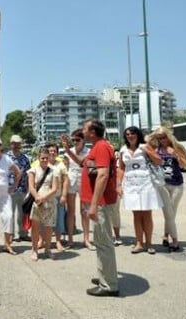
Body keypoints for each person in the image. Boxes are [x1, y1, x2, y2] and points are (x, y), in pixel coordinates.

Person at [67, 119, 119, 297]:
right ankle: (105, 275)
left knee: (104, 243)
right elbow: (83, 163)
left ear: (93, 132)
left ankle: (109, 285)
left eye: (85, 129)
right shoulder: (97, 147)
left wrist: (94, 205)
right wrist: (67, 150)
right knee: (100, 241)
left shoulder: (102, 147)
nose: (82, 131)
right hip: (98, 202)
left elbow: (103, 175)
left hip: (102, 203)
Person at [117, 126, 163, 255]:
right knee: (136, 215)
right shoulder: (123, 150)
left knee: (147, 214)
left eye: (133, 134)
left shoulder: (144, 147)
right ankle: (139, 243)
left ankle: (149, 243)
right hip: (131, 184)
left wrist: (148, 151)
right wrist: (118, 185)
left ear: (138, 135)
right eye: (127, 134)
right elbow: (121, 168)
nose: (130, 136)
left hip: (146, 184)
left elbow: (159, 161)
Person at [150, 127, 186, 252]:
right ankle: (174, 240)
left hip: (177, 184)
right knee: (168, 212)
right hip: (163, 184)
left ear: (169, 136)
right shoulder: (156, 150)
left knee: (172, 212)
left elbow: (184, 165)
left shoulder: (177, 148)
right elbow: (147, 140)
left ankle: (166, 235)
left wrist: (175, 154)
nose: (162, 140)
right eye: (159, 138)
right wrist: (154, 135)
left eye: (164, 137)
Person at [62, 130, 97, 249]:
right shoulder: (68, 152)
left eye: (78, 140)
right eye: (73, 140)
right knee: (71, 212)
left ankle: (86, 239)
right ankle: (70, 239)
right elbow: (65, 168)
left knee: (84, 211)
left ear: (83, 140)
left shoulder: (89, 151)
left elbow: (88, 166)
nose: (75, 142)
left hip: (84, 181)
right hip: (71, 181)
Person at [27, 148, 61, 261]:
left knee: (48, 228)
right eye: (42, 158)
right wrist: (37, 197)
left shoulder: (54, 171)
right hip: (36, 202)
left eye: (46, 158)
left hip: (49, 202)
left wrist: (43, 198)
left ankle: (47, 249)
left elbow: (55, 188)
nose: (45, 160)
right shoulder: (33, 171)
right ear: (38, 158)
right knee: (35, 228)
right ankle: (34, 250)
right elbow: (31, 186)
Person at [6, 135, 31, 242]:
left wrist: (29, 190)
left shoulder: (25, 158)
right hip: (9, 190)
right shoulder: (5, 158)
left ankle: (23, 233)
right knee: (9, 215)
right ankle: (10, 234)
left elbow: (29, 174)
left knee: (22, 214)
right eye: (14, 144)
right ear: (10, 144)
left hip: (22, 190)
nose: (16, 146)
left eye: (18, 144)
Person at [45, 143, 70, 252]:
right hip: (45, 197)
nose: (52, 152)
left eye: (54, 151)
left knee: (59, 220)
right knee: (45, 220)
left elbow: (65, 181)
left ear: (57, 152)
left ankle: (58, 242)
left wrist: (64, 195)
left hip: (58, 196)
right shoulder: (43, 163)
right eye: (50, 150)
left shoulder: (61, 165)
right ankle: (44, 241)